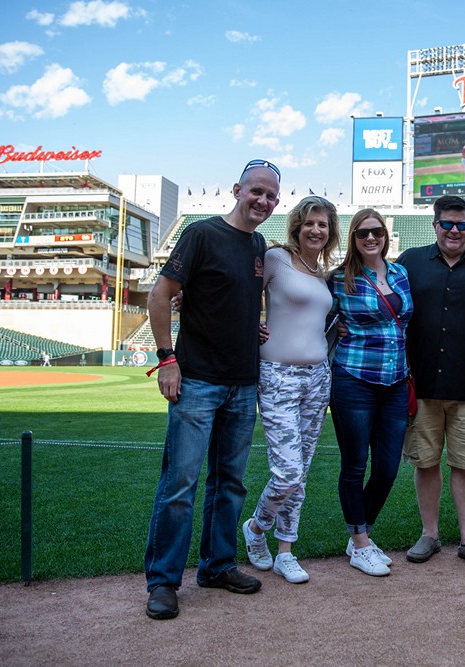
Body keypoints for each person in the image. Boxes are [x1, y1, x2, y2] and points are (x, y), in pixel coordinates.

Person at [143, 159, 280, 621]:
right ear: (237, 189)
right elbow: (160, 295)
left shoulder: (259, 243)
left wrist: (252, 327)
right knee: (180, 484)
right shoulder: (202, 232)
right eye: (256, 191)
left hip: (243, 383)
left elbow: (230, 300)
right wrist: (166, 359)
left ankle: (218, 566)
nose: (262, 200)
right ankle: (163, 582)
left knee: (230, 485)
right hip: (198, 379)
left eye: (271, 196)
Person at [398, 195, 465, 570]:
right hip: (421, 384)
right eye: (447, 224)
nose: (454, 231)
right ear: (435, 225)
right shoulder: (410, 261)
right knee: (424, 463)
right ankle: (429, 534)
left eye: (461, 224)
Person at [240, 196, 340, 585]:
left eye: (324, 224)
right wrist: (252, 323)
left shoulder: (322, 272)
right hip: (278, 374)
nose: (316, 230)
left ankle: (286, 551)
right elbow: (241, 293)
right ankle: (256, 527)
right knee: (287, 473)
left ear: (331, 232)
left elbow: (316, 319)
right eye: (310, 223)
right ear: (297, 226)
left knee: (303, 472)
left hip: (318, 377)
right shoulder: (277, 258)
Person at [329, 208, 413, 577]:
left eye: (376, 231)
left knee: (388, 468)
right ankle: (361, 542)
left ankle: (359, 532)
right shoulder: (337, 279)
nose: (370, 238)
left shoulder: (400, 273)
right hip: (354, 378)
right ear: (353, 237)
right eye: (362, 233)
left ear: (385, 235)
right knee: (354, 465)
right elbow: (312, 316)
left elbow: (407, 319)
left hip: (395, 381)